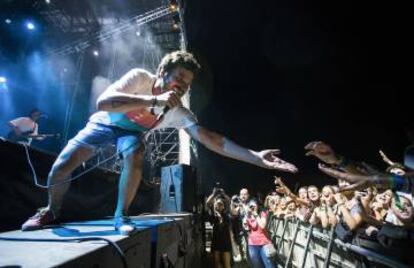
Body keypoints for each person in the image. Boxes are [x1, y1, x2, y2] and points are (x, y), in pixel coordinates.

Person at [21, 51, 298, 234]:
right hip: (104, 122)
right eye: (178, 77)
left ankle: (121, 217)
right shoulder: (140, 77)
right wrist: (153, 101)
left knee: (136, 150)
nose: (182, 86)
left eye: (187, 83)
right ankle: (51, 211)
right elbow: (103, 102)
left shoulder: (179, 111)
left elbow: (211, 139)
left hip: (129, 136)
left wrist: (255, 157)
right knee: (60, 167)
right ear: (162, 71)